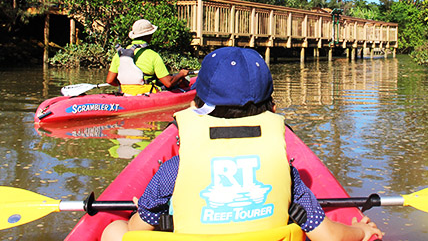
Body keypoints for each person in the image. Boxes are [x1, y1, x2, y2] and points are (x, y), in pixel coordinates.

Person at [101, 47, 383, 241]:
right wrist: (359, 230)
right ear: (271, 108)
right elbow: (329, 235)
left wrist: (146, 210)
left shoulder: (173, 170)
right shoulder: (285, 171)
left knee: (115, 230)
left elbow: (138, 228)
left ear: (195, 104)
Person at [106, 19, 189, 95]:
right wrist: (181, 74)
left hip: (125, 92)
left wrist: (129, 86)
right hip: (146, 93)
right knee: (181, 81)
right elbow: (168, 83)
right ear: (149, 36)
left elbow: (110, 80)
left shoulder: (119, 54)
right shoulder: (153, 55)